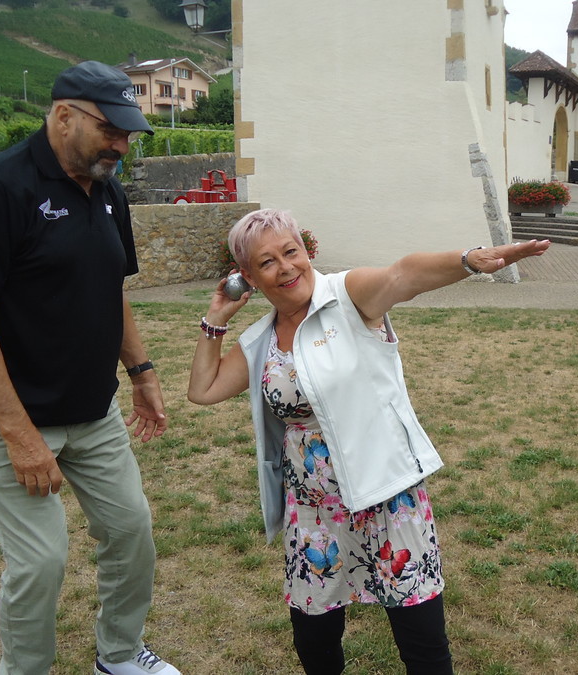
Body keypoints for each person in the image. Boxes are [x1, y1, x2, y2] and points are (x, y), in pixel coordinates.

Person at [187, 209, 550, 674]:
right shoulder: (262, 342)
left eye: (291, 251)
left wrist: (467, 260)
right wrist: (216, 319)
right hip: (315, 513)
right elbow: (203, 390)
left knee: (421, 643)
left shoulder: (348, 296)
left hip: (387, 497)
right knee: (315, 642)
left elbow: (403, 274)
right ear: (250, 278)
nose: (285, 267)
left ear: (306, 251)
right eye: (266, 262)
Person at [0, 61, 180, 675]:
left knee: (131, 531)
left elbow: (111, 289)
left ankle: (119, 655)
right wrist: (19, 435)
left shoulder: (108, 192)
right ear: (64, 115)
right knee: (41, 561)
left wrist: (142, 373)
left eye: (128, 134)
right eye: (110, 131)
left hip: (92, 411)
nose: (121, 146)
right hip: (7, 421)